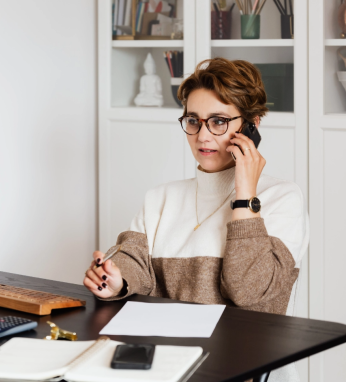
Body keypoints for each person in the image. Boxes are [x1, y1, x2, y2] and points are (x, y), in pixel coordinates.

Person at [83, 57, 309, 382]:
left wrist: (245, 194)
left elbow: (250, 292)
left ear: (252, 126)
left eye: (218, 121)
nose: (202, 136)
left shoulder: (282, 198)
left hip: (242, 369)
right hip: (164, 364)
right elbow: (134, 262)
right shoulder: (160, 197)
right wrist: (116, 280)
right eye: (193, 120)